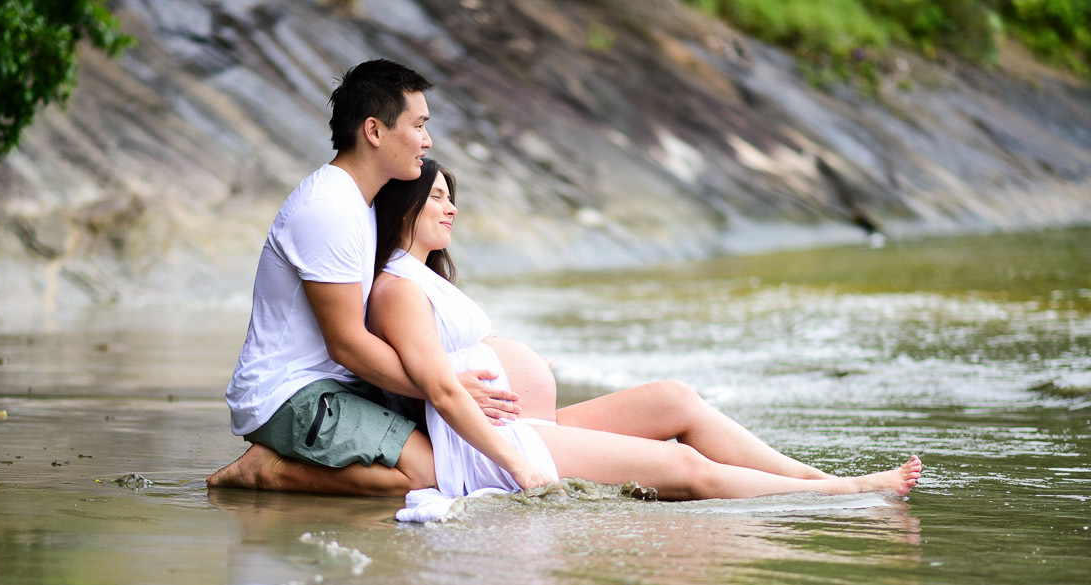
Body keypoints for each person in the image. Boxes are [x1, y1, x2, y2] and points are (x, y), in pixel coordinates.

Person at [366, 159, 923, 501]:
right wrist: (523, 468)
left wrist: (519, 365)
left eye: (450, 196)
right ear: (403, 204)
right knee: (683, 467)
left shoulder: (422, 276)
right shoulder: (396, 287)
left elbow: (455, 363)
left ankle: (808, 476)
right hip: (495, 446)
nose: (451, 209)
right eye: (436, 195)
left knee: (675, 399)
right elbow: (434, 386)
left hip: (526, 422)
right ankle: (840, 492)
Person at [208, 60, 521, 495]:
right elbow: (347, 343)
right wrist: (441, 384)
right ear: (374, 131)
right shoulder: (329, 209)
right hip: (290, 395)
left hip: (341, 385)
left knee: (457, 446)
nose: (427, 141)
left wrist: (445, 382)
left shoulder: (362, 202)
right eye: (418, 125)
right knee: (430, 474)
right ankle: (268, 471)